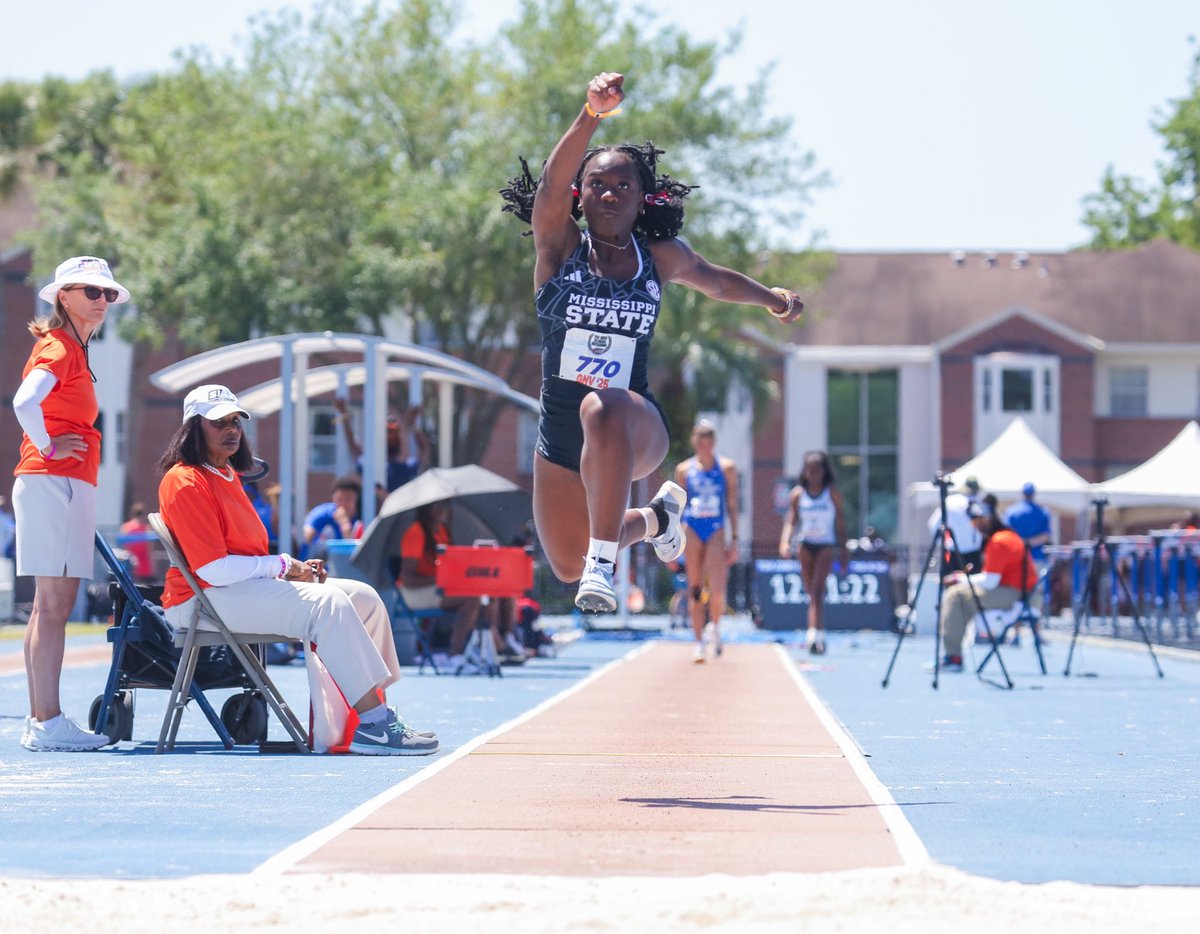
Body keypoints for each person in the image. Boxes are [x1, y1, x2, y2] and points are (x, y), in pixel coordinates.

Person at [499, 71, 803, 613]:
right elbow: (549, 185)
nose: (609, 192)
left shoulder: (658, 258)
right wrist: (591, 113)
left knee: (603, 405)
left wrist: (772, 299)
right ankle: (658, 519)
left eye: (622, 185)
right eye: (596, 184)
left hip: (635, 425)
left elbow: (716, 279)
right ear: (580, 196)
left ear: (644, 199)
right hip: (560, 437)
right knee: (565, 563)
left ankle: (605, 568)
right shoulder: (558, 246)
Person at [157, 384, 436, 755]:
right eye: (218, 423)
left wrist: (292, 570)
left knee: (363, 596)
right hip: (199, 600)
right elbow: (213, 568)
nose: (231, 430)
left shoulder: (226, 475)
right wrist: (283, 565)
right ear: (193, 428)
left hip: (227, 590)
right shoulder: (185, 480)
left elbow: (241, 560)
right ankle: (375, 724)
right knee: (328, 604)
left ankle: (363, 716)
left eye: (236, 422)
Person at [12, 256, 128, 752]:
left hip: (56, 484)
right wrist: (47, 445)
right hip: (54, 481)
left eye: (107, 294)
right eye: (90, 292)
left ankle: (41, 720)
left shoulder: (72, 350)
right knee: (55, 606)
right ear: (64, 296)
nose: (102, 301)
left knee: (47, 607)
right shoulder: (59, 346)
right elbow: (23, 401)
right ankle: (48, 721)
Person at [938, 501, 1039, 672]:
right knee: (962, 595)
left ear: (991, 519)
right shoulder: (1007, 536)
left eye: (980, 521)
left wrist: (960, 578)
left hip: (1014, 594)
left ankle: (953, 657)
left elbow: (990, 581)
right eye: (974, 522)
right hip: (1019, 591)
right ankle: (955, 652)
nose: (977, 526)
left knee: (956, 595)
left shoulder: (999, 541)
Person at [397, 500, 492, 672]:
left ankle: (480, 649)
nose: (444, 509)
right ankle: (455, 655)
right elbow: (408, 579)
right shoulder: (416, 533)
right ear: (427, 508)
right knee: (471, 598)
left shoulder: (442, 531)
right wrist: (440, 579)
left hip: (435, 588)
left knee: (484, 593)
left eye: (446, 504)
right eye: (439, 505)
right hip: (414, 592)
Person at [674, 420, 739, 663]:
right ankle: (699, 642)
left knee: (718, 590)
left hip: (716, 528)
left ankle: (716, 628)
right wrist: (676, 543)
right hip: (692, 527)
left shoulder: (726, 467)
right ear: (695, 443)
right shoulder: (684, 469)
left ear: (714, 443)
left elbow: (732, 504)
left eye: (709, 443)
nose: (705, 447)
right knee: (695, 589)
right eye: (701, 443)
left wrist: (734, 540)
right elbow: (679, 506)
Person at [779, 451, 847, 655]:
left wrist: (844, 550)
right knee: (810, 591)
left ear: (824, 471)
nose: (814, 474)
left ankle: (815, 635)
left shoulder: (831, 493)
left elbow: (840, 523)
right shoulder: (798, 494)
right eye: (810, 470)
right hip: (805, 544)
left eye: (817, 470)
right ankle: (815, 628)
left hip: (825, 544)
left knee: (818, 589)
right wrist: (785, 541)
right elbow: (792, 520)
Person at [333, 397, 430, 492]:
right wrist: (412, 424)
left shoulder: (369, 467)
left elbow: (353, 447)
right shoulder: (406, 469)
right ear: (399, 445)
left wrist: (344, 414)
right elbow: (424, 449)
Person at [928, 478, 984, 574]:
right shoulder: (980, 504)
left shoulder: (951, 501)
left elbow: (933, 525)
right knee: (973, 587)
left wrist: (944, 544)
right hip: (972, 553)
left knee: (952, 585)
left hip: (954, 552)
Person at [301, 475, 363, 560]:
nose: (343, 503)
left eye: (348, 499)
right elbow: (307, 537)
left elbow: (355, 553)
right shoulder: (324, 513)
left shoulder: (361, 519)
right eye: (339, 499)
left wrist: (345, 525)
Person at [1003, 482, 1052, 570]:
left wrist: (1021, 543)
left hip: (1016, 556)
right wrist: (1028, 543)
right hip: (1036, 557)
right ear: (1033, 494)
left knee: (1016, 583)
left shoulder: (1011, 511)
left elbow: (1007, 535)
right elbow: (1045, 536)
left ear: (1022, 493)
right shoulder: (1043, 512)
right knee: (1037, 583)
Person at [118, 502, 154, 583]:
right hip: (144, 566)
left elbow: (123, 546)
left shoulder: (125, 527)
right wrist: (153, 566)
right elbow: (149, 548)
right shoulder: (146, 528)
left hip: (130, 564)